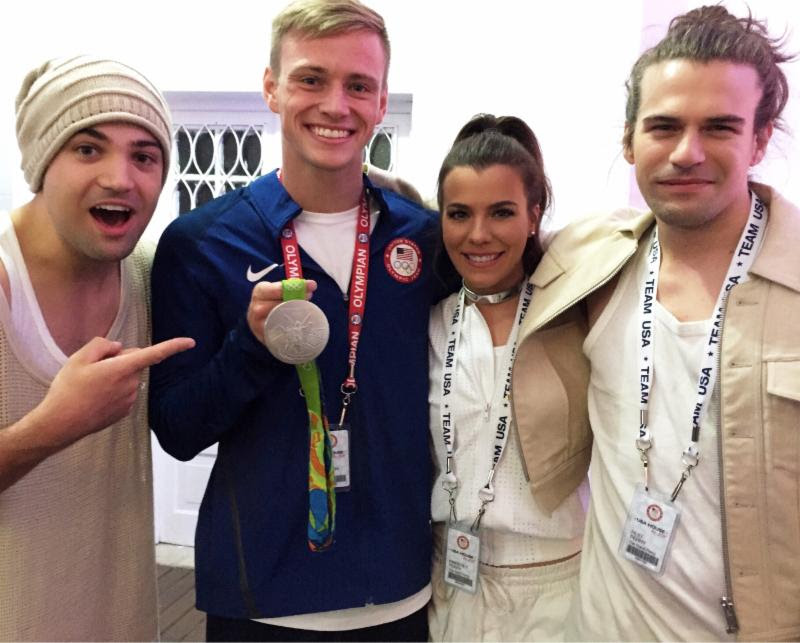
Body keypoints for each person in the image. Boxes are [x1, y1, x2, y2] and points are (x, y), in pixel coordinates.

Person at [148, 1, 438, 640]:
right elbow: (176, 431)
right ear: (271, 88)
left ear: (383, 101)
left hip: (400, 588)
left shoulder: (424, 239)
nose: (336, 105)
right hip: (263, 594)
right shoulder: (200, 242)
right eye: (311, 79)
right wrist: (249, 348)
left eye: (358, 85)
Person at [511, 6, 800, 640]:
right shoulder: (588, 260)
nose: (687, 152)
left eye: (719, 127)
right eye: (663, 126)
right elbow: (474, 237)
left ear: (759, 138)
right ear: (629, 139)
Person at [0, 56, 194, 640]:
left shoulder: (145, 272)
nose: (120, 178)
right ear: (41, 161)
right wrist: (53, 425)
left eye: (144, 155)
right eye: (88, 149)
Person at [427, 114, 586, 641]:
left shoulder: (573, 311)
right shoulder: (430, 321)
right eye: (459, 214)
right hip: (450, 583)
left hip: (557, 587)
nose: (478, 235)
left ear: (534, 214)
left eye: (501, 212)